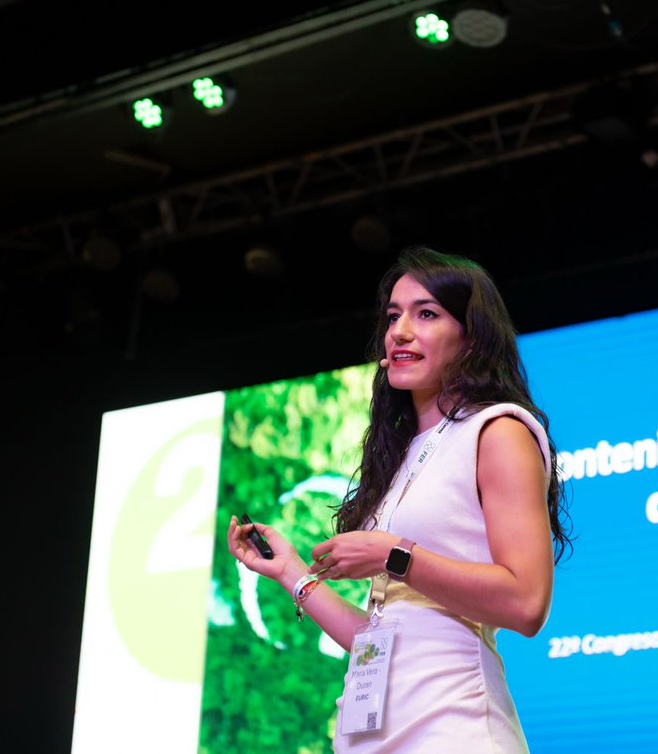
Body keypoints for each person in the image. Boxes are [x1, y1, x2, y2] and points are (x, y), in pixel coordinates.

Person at [228, 246, 570, 753]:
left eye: (426, 314)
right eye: (393, 316)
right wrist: (292, 574)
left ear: (472, 336)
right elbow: (382, 641)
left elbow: (526, 602)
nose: (399, 331)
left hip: (454, 730)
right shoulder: (402, 457)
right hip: (376, 736)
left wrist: (393, 554)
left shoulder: (498, 430)